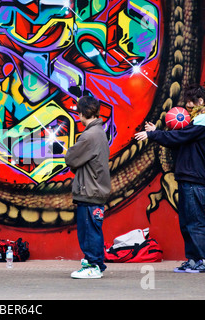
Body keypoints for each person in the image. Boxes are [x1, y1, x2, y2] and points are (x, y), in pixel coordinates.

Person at [135, 84, 205, 273]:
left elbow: (179, 136)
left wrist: (153, 134)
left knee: (196, 222)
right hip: (187, 179)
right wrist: (158, 131)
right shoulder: (196, 122)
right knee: (186, 223)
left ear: (201, 101)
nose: (188, 106)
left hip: (194, 180)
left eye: (191, 102)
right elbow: (178, 138)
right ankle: (193, 260)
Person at [64, 96, 111, 279]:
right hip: (95, 188)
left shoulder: (89, 135)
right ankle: (96, 262)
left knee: (89, 230)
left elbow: (71, 158)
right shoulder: (99, 132)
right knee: (93, 228)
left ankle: (93, 265)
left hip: (89, 189)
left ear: (82, 113)